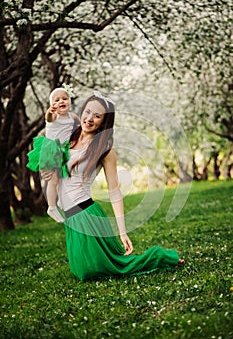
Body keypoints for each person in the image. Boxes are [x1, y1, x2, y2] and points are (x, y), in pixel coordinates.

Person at [42, 91, 185, 281]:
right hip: (71, 218)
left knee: (96, 270)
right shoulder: (69, 137)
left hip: (86, 214)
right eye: (88, 112)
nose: (90, 118)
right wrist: (50, 171)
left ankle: (161, 257)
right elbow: (56, 157)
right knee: (81, 272)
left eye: (97, 116)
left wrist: (123, 231)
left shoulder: (105, 149)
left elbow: (114, 192)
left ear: (104, 122)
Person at [27, 85, 79, 222]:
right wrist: (50, 112)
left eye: (64, 99)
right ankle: (51, 207)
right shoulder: (54, 116)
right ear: (51, 105)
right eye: (56, 100)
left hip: (64, 150)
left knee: (64, 177)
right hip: (51, 150)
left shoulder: (72, 117)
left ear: (69, 101)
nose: (61, 102)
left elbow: (79, 126)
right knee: (53, 180)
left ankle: (62, 201)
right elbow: (48, 118)